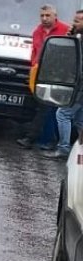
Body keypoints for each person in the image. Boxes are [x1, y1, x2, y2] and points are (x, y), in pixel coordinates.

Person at [16, 5, 71, 149]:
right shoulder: (37, 31)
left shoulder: (65, 30)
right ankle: (49, 140)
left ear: (55, 16)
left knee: (46, 107)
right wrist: (34, 66)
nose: (44, 18)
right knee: (47, 108)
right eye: (42, 15)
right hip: (40, 73)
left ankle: (31, 138)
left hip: (57, 75)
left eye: (48, 15)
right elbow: (35, 51)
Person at [44, 9, 83, 159]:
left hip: (80, 85)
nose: (74, 23)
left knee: (63, 114)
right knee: (80, 119)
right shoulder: (78, 37)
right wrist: (70, 37)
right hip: (79, 84)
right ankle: (79, 150)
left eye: (77, 21)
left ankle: (64, 148)